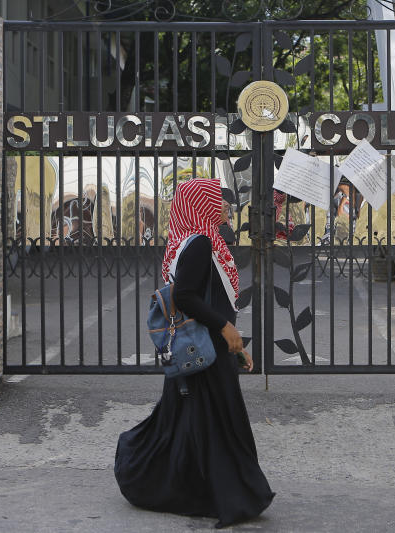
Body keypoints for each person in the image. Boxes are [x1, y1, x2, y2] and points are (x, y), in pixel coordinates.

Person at [114, 178, 275, 529]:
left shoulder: (200, 241)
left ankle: (182, 484)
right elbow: (186, 296)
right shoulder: (200, 243)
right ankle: (225, 494)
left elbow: (206, 296)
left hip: (209, 350)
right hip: (206, 350)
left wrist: (234, 348)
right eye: (217, 199)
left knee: (186, 423)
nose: (225, 205)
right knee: (214, 424)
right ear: (201, 205)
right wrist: (226, 328)